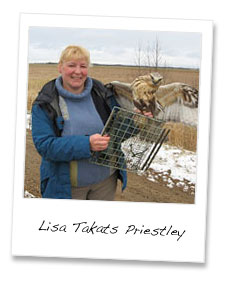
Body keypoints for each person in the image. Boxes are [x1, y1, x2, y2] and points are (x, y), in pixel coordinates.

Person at [32, 45, 152, 200]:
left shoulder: (102, 93)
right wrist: (86, 144)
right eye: (71, 65)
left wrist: (137, 121)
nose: (78, 71)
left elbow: (114, 133)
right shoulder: (46, 102)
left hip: (105, 185)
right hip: (68, 189)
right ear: (60, 67)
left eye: (83, 66)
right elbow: (45, 146)